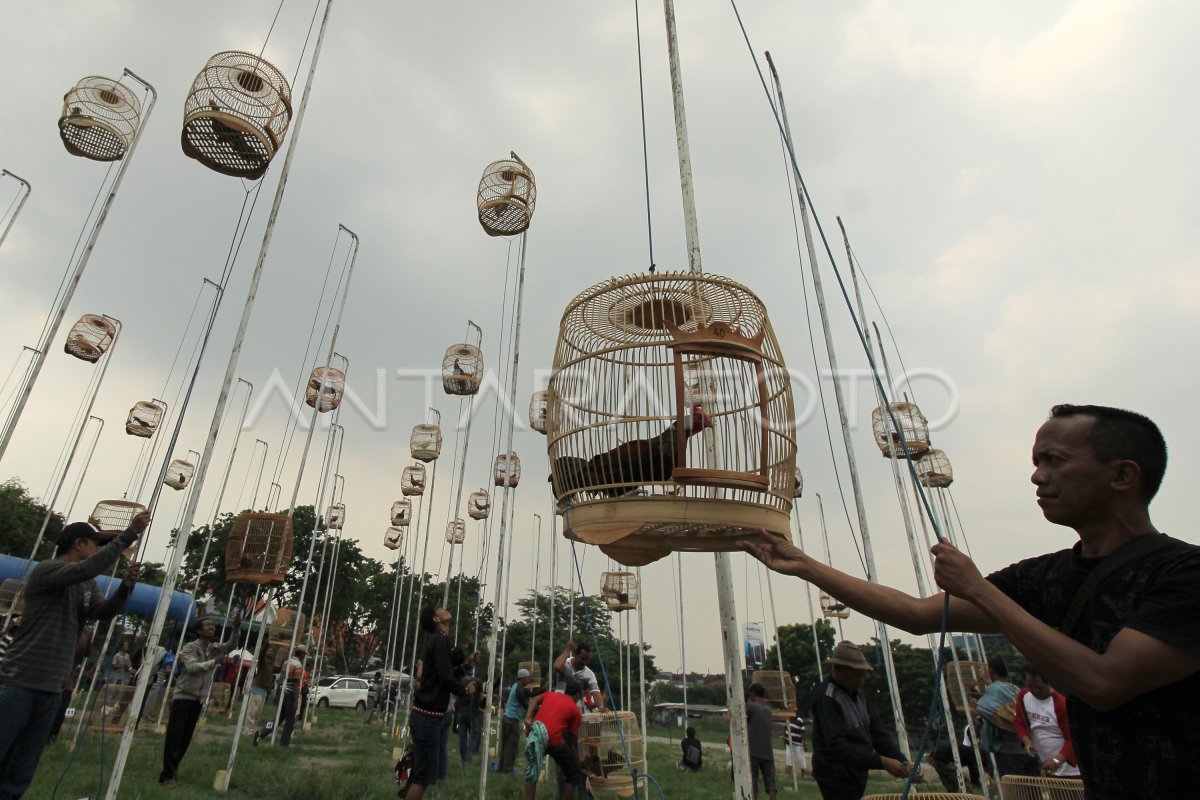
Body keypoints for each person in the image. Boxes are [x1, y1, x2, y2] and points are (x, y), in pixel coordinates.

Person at [744, 404, 1200, 799]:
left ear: (1122, 474)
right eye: (1037, 461)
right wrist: (804, 565)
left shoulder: (1183, 574)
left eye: (1054, 461)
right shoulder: (1048, 575)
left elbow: (1105, 683)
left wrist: (979, 588)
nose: (1037, 476)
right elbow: (919, 614)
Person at [0, 512, 149, 799]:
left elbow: (101, 613)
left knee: (21, 770)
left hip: (52, 689)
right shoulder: (47, 570)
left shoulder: (86, 584)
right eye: (96, 543)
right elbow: (88, 569)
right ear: (79, 544)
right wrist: (129, 533)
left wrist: (124, 589)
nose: (99, 549)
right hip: (20, 683)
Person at [809, 641, 913, 800]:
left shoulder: (861, 696)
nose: (862, 679)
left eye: (863, 674)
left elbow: (879, 735)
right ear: (839, 669)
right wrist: (882, 762)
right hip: (834, 774)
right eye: (857, 674)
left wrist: (903, 761)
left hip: (856, 773)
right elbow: (838, 746)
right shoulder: (827, 698)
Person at [159, 612, 241, 787]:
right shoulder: (190, 648)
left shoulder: (214, 648)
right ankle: (167, 775)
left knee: (185, 738)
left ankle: (171, 771)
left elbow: (232, 644)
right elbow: (191, 667)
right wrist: (214, 663)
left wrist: (236, 628)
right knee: (175, 737)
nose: (211, 627)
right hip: (183, 697)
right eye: (207, 625)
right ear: (198, 631)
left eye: (213, 626)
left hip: (198, 700)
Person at [404, 607, 474, 800]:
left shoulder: (438, 640)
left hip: (425, 716)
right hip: (427, 718)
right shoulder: (440, 640)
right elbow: (445, 678)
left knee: (421, 774)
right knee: (423, 777)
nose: (445, 608)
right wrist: (465, 690)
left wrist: (466, 666)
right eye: (440, 609)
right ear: (436, 619)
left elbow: (442, 674)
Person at [974, 658, 1037, 779]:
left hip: (1010, 751)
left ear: (991, 672)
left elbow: (984, 708)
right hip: (1029, 748)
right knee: (1033, 791)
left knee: (1015, 792)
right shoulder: (1014, 688)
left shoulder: (994, 690)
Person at [523, 679, 585, 800]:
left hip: (537, 736)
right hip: (554, 740)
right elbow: (571, 743)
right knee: (573, 774)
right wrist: (578, 763)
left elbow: (535, 699)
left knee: (532, 772)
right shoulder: (576, 711)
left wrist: (527, 719)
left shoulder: (550, 694)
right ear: (577, 695)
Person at [1015, 666, 1080, 777]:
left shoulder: (1061, 704)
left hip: (1070, 769)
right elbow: (1019, 721)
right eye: (1030, 686)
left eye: (1039, 687)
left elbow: (1073, 740)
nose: (1035, 691)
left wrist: (1056, 761)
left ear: (1049, 683)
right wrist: (1026, 741)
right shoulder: (1024, 696)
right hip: (1048, 765)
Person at [500, 668, 539, 773]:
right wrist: (537, 708)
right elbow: (526, 706)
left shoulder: (516, 686)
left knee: (505, 744)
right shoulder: (519, 690)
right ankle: (507, 770)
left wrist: (543, 689)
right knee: (511, 745)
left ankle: (502, 767)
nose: (529, 679)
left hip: (507, 718)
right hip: (512, 720)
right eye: (528, 678)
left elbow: (530, 694)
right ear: (523, 678)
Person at [745, 683, 778, 799]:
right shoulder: (768, 710)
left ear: (753, 693)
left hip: (754, 750)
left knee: (753, 780)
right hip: (768, 751)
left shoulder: (751, 706)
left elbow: (743, 719)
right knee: (771, 783)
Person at [244, 646, 274, 727]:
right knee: (252, 711)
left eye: (272, 651)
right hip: (257, 689)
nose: (271, 652)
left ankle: (252, 728)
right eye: (269, 650)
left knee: (258, 713)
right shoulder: (262, 661)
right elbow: (261, 655)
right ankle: (247, 730)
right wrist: (266, 644)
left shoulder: (271, 664)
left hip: (264, 691)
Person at [784, 711, 807, 778]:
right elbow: (785, 730)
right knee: (789, 757)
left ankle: (803, 774)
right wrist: (784, 739)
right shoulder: (787, 719)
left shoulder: (800, 721)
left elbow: (803, 733)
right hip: (789, 742)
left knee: (800, 758)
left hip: (798, 744)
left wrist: (804, 744)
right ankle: (790, 774)